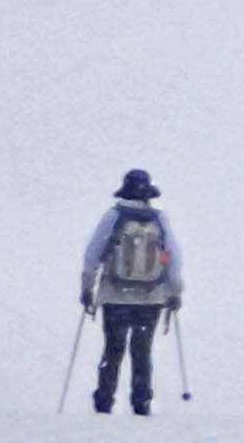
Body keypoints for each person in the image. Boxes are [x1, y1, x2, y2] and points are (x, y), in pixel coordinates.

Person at [78, 168, 184, 415]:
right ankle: (141, 401)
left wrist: (87, 287)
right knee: (142, 350)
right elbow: (173, 258)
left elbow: (93, 254)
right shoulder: (159, 220)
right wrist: (175, 291)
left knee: (113, 349)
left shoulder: (114, 216)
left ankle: (104, 401)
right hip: (151, 297)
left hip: (115, 295)